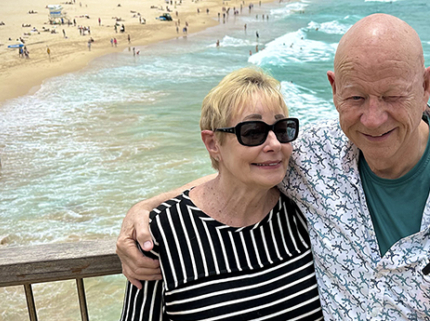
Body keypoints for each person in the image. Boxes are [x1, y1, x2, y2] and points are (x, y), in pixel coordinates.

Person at [118, 14, 430, 320]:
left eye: (393, 96)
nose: (373, 119)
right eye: (356, 98)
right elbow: (238, 170)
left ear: (426, 84)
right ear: (334, 88)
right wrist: (144, 210)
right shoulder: (310, 155)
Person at [119, 67, 322, 320]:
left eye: (282, 129)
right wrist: (142, 208)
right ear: (213, 144)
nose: (274, 144)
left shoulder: (304, 212)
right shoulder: (162, 233)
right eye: (253, 132)